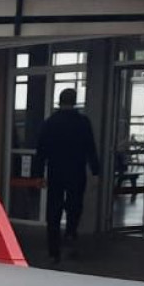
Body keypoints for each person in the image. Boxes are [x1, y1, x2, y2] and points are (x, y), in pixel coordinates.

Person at [33, 88, 100, 264]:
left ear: (59, 101)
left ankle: (53, 250)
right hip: (76, 170)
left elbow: (41, 151)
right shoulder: (83, 122)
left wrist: (38, 174)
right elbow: (90, 148)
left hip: (56, 171)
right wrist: (95, 171)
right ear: (75, 101)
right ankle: (71, 232)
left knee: (53, 210)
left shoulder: (50, 123)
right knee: (75, 205)